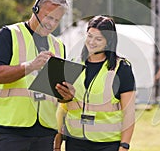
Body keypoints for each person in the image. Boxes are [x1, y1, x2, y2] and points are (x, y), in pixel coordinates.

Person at [0, 0, 74, 151]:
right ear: (35, 10)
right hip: (11, 130)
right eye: (48, 17)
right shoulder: (9, 34)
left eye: (56, 20)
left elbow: (56, 93)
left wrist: (66, 95)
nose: (51, 23)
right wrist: (30, 66)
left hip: (46, 131)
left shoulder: (59, 46)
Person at [54, 15, 136, 151]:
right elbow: (62, 108)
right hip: (75, 141)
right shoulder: (73, 65)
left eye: (98, 39)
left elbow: (129, 112)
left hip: (107, 144)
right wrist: (57, 140)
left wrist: (124, 146)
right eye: (89, 36)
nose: (92, 42)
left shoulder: (121, 68)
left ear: (108, 41)